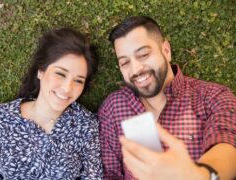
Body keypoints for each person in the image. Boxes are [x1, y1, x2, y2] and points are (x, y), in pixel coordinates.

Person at [98, 16, 236, 180]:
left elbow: (228, 145)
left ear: (166, 51)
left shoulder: (214, 97)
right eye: (124, 62)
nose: (135, 69)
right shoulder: (113, 108)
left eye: (143, 54)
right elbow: (109, 174)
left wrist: (200, 175)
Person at [0, 28, 103, 179]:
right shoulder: (0, 117)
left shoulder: (86, 125)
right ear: (41, 70)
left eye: (78, 80)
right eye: (60, 73)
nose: (66, 88)